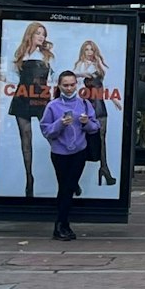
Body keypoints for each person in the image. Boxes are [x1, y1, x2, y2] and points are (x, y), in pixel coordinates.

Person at [39, 70, 99, 241]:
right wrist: (60, 124)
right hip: (60, 153)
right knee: (65, 188)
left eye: (72, 84)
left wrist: (86, 123)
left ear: (76, 85)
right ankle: (61, 225)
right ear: (59, 86)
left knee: (68, 188)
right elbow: (46, 130)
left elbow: (95, 127)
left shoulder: (84, 104)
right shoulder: (53, 106)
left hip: (79, 151)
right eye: (65, 85)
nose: (69, 88)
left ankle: (61, 224)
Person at [6, 22, 54, 196]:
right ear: (30, 34)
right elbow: (12, 78)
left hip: (42, 99)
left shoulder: (48, 56)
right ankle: (29, 179)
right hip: (23, 97)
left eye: (44, 34)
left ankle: (65, 176)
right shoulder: (20, 54)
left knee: (52, 136)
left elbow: (54, 79)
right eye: (38, 33)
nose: (41, 37)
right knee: (25, 139)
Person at [73, 39, 117, 186]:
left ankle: (105, 168)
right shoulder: (80, 66)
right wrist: (81, 74)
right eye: (87, 49)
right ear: (83, 51)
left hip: (99, 105)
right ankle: (76, 177)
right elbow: (75, 83)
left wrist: (115, 99)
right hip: (86, 106)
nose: (90, 52)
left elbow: (106, 84)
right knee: (81, 141)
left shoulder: (99, 65)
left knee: (102, 138)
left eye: (92, 49)